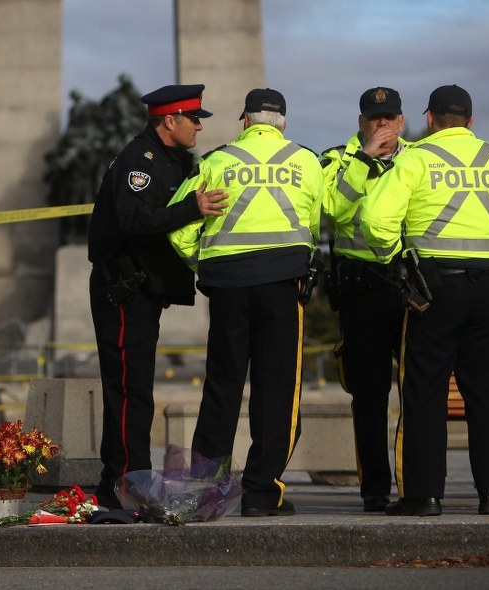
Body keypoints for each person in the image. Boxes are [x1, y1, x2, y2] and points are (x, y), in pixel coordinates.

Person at [360, 85, 489, 516]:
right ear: (470, 122)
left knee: (424, 392)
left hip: (432, 290)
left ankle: (425, 496)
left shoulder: (416, 159)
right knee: (486, 393)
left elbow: (375, 221)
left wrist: (397, 260)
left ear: (429, 119)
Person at [167, 88, 323, 517]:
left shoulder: (216, 162)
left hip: (228, 288)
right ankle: (260, 493)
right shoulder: (307, 162)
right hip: (282, 286)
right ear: (284, 124)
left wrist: (203, 264)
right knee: (277, 391)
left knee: (221, 388)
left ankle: (204, 493)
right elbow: (315, 219)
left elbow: (179, 229)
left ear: (244, 122)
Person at [87, 84, 228, 508]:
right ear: (170, 121)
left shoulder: (172, 159)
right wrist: (192, 209)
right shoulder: (140, 159)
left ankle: (116, 482)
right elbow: (133, 219)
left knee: (131, 388)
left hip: (141, 289)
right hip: (124, 290)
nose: (199, 127)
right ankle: (130, 484)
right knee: (132, 391)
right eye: (193, 119)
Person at [320, 87, 408, 512]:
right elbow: (332, 208)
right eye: (374, 118)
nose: (382, 125)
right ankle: (375, 488)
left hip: (411, 290)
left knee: (419, 393)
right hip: (361, 290)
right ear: (361, 122)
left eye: (389, 117)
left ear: (402, 121)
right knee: (369, 397)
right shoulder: (337, 158)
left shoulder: (419, 157)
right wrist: (365, 160)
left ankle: (417, 484)